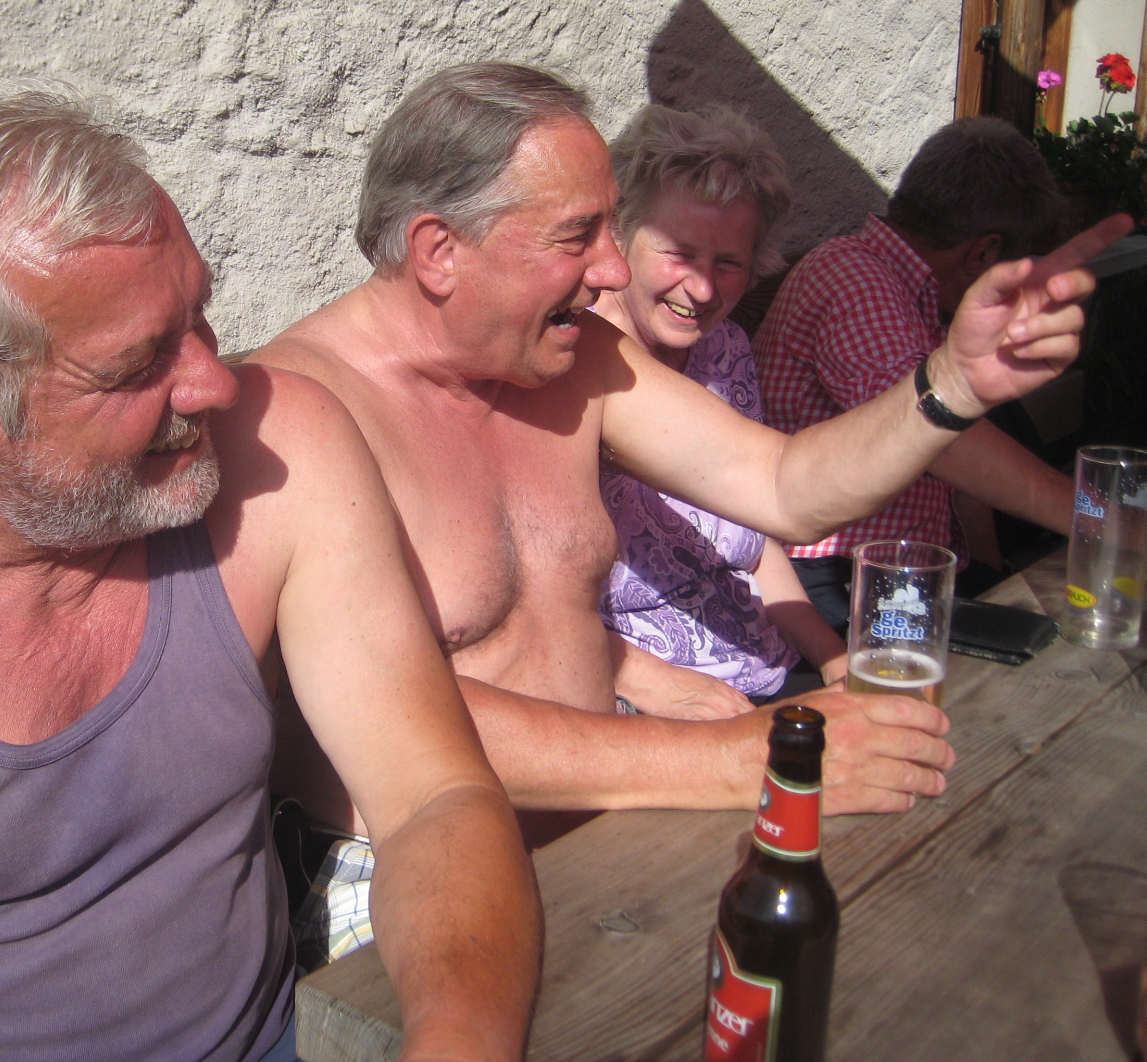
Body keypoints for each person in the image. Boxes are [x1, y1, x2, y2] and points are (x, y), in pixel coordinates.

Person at [0, 92, 541, 1062]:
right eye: (136, 367)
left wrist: (457, 1040)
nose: (213, 382)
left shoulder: (277, 452)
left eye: (198, 313)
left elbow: (432, 799)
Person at [255, 60, 1125, 833]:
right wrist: (732, 758)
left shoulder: (574, 362)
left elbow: (781, 485)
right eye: (578, 235)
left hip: (610, 830)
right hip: (408, 875)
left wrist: (952, 383)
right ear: (439, 251)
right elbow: (380, 712)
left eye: (612, 228)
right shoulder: (299, 415)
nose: (611, 270)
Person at [753, 116, 1079, 632]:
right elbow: (942, 434)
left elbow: (957, 470)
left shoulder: (925, 296)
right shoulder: (853, 275)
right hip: (826, 580)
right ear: (982, 253)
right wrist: (1101, 521)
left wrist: (989, 578)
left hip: (902, 572)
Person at [591, 104, 847, 721]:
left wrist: (837, 660)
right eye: (680, 253)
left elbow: (755, 546)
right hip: (640, 699)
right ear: (620, 233)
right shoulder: (572, 363)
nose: (703, 290)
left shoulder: (724, 348)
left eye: (728, 262)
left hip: (762, 669)